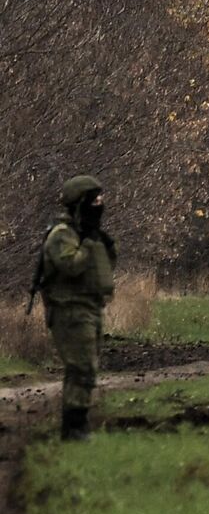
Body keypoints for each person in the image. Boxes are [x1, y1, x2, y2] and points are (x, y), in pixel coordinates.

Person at [38, 175, 116, 441]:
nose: (100, 204)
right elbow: (71, 265)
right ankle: (73, 427)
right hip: (69, 310)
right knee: (80, 367)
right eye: (94, 200)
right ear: (80, 203)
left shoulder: (85, 234)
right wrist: (88, 242)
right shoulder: (62, 235)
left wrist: (94, 239)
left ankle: (77, 424)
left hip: (89, 307)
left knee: (88, 367)